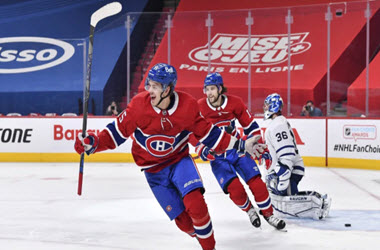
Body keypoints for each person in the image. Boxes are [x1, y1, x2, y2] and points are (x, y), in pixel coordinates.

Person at [75, 63, 266, 250]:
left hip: (179, 161)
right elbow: (115, 134)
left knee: (196, 205)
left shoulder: (188, 106)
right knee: (184, 223)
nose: (150, 90)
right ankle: (201, 238)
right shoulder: (138, 106)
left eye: (156, 86)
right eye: (149, 85)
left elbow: (210, 135)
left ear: (167, 89)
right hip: (153, 170)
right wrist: (93, 143)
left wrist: (241, 144)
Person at [191, 72, 286, 230]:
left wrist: (257, 144)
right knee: (234, 189)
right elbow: (190, 131)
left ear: (220, 89)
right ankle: (250, 211)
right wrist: (201, 147)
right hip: (218, 157)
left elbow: (251, 126)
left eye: (212, 89)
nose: (209, 93)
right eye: (206, 89)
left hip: (237, 150)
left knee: (257, 183)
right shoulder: (199, 106)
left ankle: (269, 214)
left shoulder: (235, 102)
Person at [263, 93, 331, 220]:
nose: (265, 108)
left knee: (280, 195)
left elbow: (286, 154)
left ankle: (315, 205)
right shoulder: (281, 122)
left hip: (284, 169)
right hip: (294, 166)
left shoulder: (277, 125)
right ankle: (316, 202)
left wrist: (282, 176)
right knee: (291, 193)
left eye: (267, 105)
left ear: (274, 106)